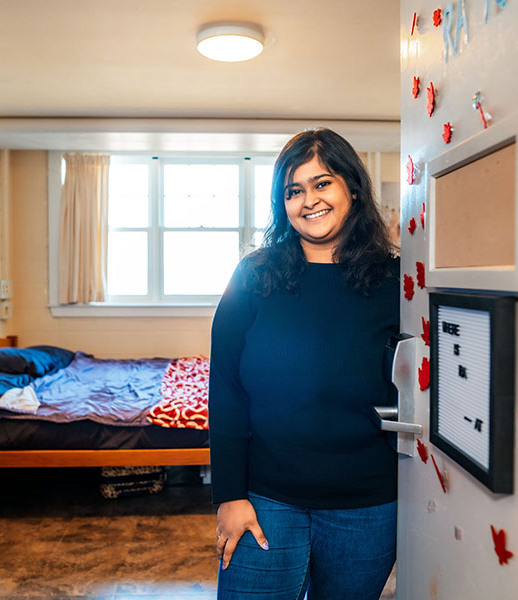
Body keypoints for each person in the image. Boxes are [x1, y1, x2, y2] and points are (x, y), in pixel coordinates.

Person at [209, 128, 400, 600]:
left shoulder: (395, 280)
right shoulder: (254, 276)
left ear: (351, 188)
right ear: (282, 202)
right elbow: (226, 390)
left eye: (323, 183)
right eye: (294, 190)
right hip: (265, 500)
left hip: (368, 506)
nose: (309, 200)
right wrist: (229, 496)